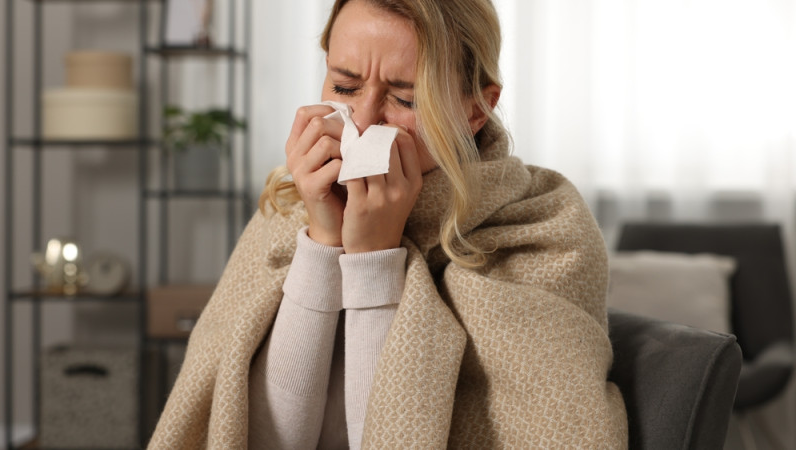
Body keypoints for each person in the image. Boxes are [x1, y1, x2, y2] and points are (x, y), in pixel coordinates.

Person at [149, 0, 628, 448]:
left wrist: (373, 260)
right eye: (344, 87)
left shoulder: (542, 228)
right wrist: (323, 240)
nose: (362, 121)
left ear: (475, 111)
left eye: (406, 99)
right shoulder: (288, 209)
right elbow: (270, 441)